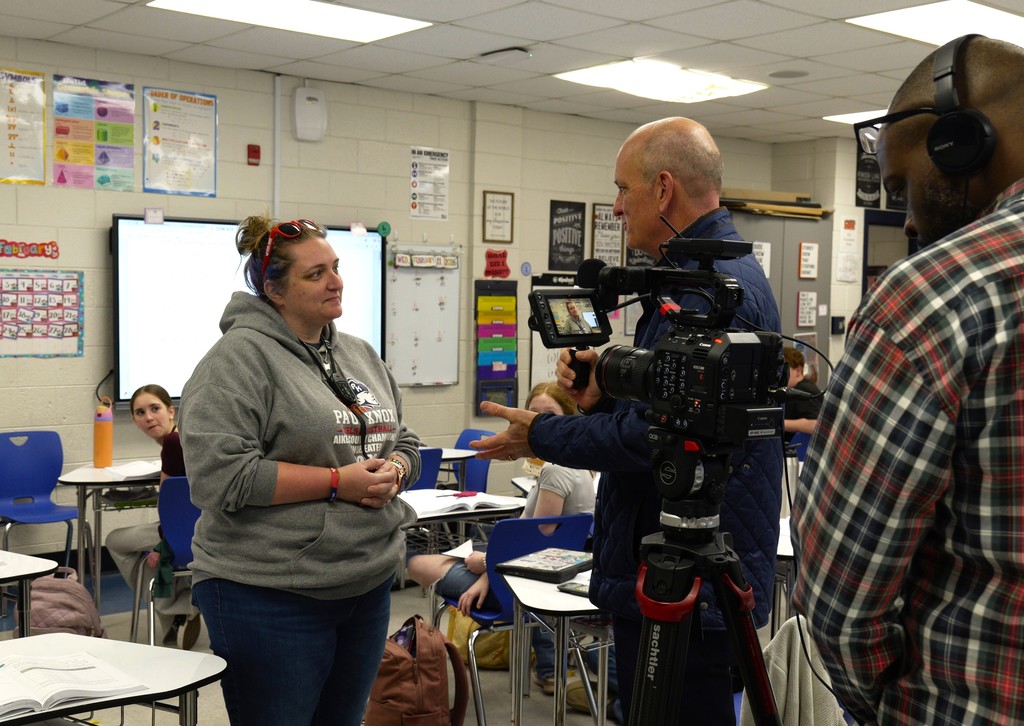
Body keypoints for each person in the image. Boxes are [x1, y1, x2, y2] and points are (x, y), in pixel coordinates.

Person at [471, 117, 783, 721]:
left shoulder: (712, 291)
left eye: (622, 189)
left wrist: (540, 433)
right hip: (665, 552)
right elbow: (663, 407)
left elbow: (655, 437)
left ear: (662, 189)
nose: (615, 207)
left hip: (687, 572)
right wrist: (599, 393)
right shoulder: (692, 276)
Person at [791, 35, 1024, 725]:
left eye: (901, 187)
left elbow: (838, 605)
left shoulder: (932, 297)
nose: (912, 219)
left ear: (962, 143)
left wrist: (887, 704)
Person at [179, 215, 421, 726]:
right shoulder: (237, 361)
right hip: (269, 592)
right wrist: (340, 483)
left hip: (366, 579)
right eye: (315, 274)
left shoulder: (359, 353)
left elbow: (404, 438)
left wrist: (395, 469)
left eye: (335, 267)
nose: (335, 281)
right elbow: (220, 477)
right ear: (274, 290)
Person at [406, 381, 595, 694]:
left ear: (569, 417)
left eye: (549, 415)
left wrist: (486, 573)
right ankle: (547, 671)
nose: (538, 424)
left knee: (419, 564)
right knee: (464, 555)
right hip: (536, 582)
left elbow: (538, 550)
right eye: (532, 414)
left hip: (522, 587)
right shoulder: (580, 465)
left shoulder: (555, 471)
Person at [105, 383, 202, 649]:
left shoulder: (173, 443)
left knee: (116, 541)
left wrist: (162, 542)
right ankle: (179, 607)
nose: (148, 417)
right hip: (196, 529)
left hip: (186, 533)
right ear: (134, 421)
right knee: (152, 559)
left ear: (171, 411)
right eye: (140, 412)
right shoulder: (185, 438)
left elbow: (172, 508)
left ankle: (176, 607)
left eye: (155, 408)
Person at [782, 346, 821, 439]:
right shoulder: (791, 390)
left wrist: (778, 424)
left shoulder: (806, 390)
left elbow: (815, 424)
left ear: (798, 370)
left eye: (784, 370)